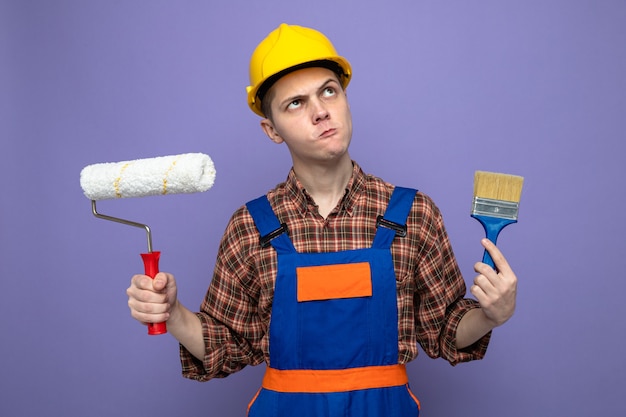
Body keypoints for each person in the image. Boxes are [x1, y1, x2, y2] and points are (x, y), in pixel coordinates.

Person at [127, 23, 518, 416]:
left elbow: (446, 331)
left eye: (328, 90)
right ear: (271, 130)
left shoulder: (413, 214)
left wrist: (489, 315)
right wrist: (173, 314)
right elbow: (225, 346)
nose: (320, 112)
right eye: (295, 103)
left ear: (345, 98)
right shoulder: (250, 227)